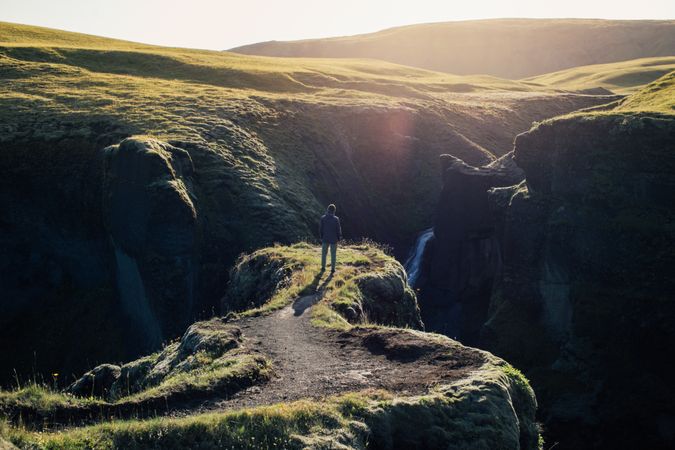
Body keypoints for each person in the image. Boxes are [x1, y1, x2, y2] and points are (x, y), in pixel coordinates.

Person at [319, 204, 342, 273]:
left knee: (324, 253)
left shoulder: (323, 218)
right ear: (334, 210)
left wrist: (321, 237)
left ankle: (323, 267)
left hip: (325, 238)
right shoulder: (336, 219)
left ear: (327, 209)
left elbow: (320, 229)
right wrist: (339, 238)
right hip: (334, 239)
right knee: (333, 254)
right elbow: (338, 230)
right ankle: (333, 269)